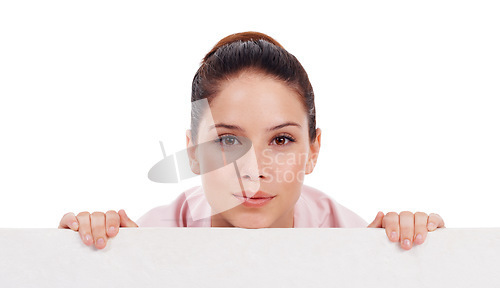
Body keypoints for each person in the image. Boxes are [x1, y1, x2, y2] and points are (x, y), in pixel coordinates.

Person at [58, 31, 445, 251]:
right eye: (227, 141)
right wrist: (83, 253)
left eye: (281, 139)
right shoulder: (151, 238)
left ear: (313, 151)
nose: (254, 172)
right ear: (193, 153)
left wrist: (414, 254)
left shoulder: (352, 239)